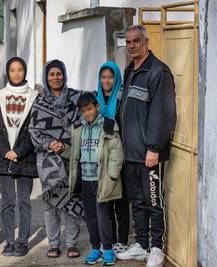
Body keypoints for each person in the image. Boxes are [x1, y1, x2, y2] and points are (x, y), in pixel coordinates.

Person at [116, 25, 176, 267]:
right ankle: (140, 244)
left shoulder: (158, 72)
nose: (132, 45)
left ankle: (157, 248)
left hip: (149, 154)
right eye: (129, 42)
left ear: (146, 43)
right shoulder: (130, 70)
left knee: (154, 202)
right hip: (130, 153)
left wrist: (154, 148)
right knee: (137, 202)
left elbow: (163, 113)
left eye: (136, 41)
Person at [60, 92, 124, 265]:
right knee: (90, 216)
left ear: (96, 107)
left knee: (104, 215)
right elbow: (75, 152)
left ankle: (108, 250)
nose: (87, 113)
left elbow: (116, 153)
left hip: (102, 179)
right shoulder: (78, 127)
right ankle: (96, 248)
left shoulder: (108, 125)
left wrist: (111, 176)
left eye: (89, 109)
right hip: (86, 180)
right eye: (83, 111)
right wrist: (61, 150)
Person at [0, 56, 39, 257]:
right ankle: (9, 241)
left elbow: (35, 130)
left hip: (24, 158)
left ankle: (22, 241)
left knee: (24, 202)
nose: (16, 73)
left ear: (24, 72)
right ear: (8, 72)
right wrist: (5, 152)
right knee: (7, 202)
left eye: (20, 70)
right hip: (2, 158)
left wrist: (19, 151)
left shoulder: (34, 96)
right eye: (13, 70)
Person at [29, 59, 83, 259]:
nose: (55, 77)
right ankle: (53, 243)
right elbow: (33, 130)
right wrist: (50, 144)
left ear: (64, 75)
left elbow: (84, 122)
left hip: (72, 155)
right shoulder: (39, 101)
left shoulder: (76, 98)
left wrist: (68, 145)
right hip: (48, 160)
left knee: (73, 200)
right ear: (46, 77)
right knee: (51, 202)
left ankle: (71, 243)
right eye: (51, 74)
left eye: (59, 73)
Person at [96, 62, 130, 254]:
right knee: (105, 201)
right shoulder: (96, 100)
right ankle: (108, 240)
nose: (106, 80)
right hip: (101, 158)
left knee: (121, 202)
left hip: (119, 156)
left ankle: (122, 240)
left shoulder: (122, 98)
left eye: (110, 77)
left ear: (116, 78)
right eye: (103, 77)